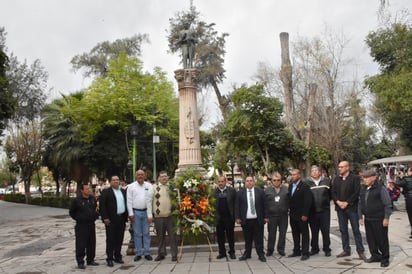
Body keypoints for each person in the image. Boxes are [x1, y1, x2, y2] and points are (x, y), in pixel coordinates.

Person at [331, 161, 366, 260]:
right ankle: (346, 249)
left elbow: (356, 192)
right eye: (339, 167)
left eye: (341, 167)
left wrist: (347, 202)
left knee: (355, 230)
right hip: (340, 209)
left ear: (347, 167)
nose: (339, 169)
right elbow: (333, 192)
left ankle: (360, 250)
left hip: (351, 208)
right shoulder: (337, 179)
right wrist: (338, 201)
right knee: (343, 230)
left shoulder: (355, 178)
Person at [358, 169, 392, 267]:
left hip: (379, 218)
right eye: (363, 178)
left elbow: (388, 204)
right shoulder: (363, 188)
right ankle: (375, 255)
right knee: (371, 239)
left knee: (382, 239)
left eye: (367, 177)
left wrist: (386, 218)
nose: (365, 180)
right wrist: (360, 216)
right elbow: (360, 203)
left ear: (374, 177)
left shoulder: (380, 188)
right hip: (368, 218)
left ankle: (385, 258)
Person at [235, 176, 268, 262]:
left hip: (258, 220)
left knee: (259, 239)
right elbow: (237, 206)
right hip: (246, 220)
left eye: (251, 181)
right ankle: (247, 254)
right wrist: (237, 217)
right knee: (247, 239)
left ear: (254, 182)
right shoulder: (240, 193)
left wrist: (266, 216)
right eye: (247, 181)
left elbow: (265, 205)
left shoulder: (260, 192)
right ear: (245, 182)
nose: (249, 182)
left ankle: (261, 254)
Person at [99, 175, 128, 267]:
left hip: (121, 218)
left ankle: (118, 256)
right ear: (110, 182)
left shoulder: (123, 191)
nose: (116, 181)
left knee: (119, 239)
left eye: (117, 180)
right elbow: (102, 206)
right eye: (114, 180)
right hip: (110, 220)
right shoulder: (106, 192)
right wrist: (105, 218)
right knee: (110, 239)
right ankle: (110, 258)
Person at [69, 183, 99, 269]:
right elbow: (72, 212)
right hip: (81, 225)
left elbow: (95, 209)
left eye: (88, 189)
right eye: (86, 189)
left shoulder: (92, 199)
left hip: (91, 224)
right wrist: (79, 218)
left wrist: (95, 216)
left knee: (91, 243)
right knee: (81, 244)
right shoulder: (77, 200)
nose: (88, 190)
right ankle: (80, 261)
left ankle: (90, 259)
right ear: (82, 190)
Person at [127, 169, 154, 261]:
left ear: (144, 176)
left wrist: (150, 215)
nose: (140, 176)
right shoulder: (131, 187)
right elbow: (129, 201)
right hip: (136, 212)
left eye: (142, 174)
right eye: (138, 175)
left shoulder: (149, 186)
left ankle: (147, 252)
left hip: (146, 212)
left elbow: (151, 201)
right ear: (136, 176)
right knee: (137, 234)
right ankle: (138, 253)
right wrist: (130, 213)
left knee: (146, 233)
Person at [152, 171, 178, 262]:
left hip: (170, 216)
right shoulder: (154, 187)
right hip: (159, 216)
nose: (164, 178)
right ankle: (161, 253)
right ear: (159, 178)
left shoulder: (172, 187)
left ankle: (174, 254)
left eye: (165, 176)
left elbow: (177, 198)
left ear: (168, 178)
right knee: (160, 237)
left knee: (172, 236)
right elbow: (149, 201)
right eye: (162, 176)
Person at [306, 165, 332, 257]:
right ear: (310, 173)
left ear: (320, 172)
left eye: (316, 170)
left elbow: (330, 194)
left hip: (324, 211)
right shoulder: (307, 183)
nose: (314, 172)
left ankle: (327, 249)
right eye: (312, 171)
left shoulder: (326, 181)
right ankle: (314, 248)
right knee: (314, 231)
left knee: (325, 231)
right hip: (312, 212)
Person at [287, 169, 313, 261]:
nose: (292, 176)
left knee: (304, 234)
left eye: (294, 174)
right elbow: (290, 199)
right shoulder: (290, 186)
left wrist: (305, 214)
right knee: (295, 233)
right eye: (291, 174)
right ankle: (296, 250)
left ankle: (305, 252)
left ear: (299, 175)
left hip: (302, 215)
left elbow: (308, 201)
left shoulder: (305, 186)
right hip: (293, 215)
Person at [264, 172, 289, 257]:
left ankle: (281, 249)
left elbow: (289, 201)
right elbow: (265, 204)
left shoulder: (286, 189)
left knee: (282, 233)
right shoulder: (267, 190)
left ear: (281, 180)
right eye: (274, 180)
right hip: (272, 216)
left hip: (283, 216)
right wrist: (266, 216)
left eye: (278, 180)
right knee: (271, 234)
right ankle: (270, 250)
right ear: (271, 181)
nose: (276, 182)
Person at [214, 176, 237, 260]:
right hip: (219, 218)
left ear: (225, 182)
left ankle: (232, 252)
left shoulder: (232, 191)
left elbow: (235, 204)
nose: (220, 183)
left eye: (222, 181)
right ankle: (222, 252)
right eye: (219, 182)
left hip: (229, 218)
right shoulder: (214, 192)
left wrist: (235, 216)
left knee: (230, 236)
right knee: (220, 237)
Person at [396, 167, 412, 239]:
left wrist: (399, 177)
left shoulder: (406, 179)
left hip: (409, 199)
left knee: (411, 216)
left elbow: (398, 184)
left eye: (408, 171)